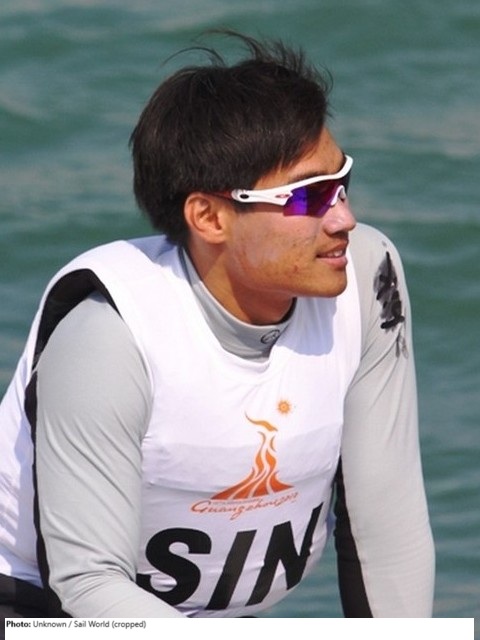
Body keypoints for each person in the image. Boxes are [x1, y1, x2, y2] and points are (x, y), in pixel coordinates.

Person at [0, 31, 434, 621]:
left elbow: (387, 523)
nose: (344, 218)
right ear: (208, 217)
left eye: (342, 183)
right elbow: (88, 585)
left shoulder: (366, 274)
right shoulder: (108, 337)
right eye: (308, 197)